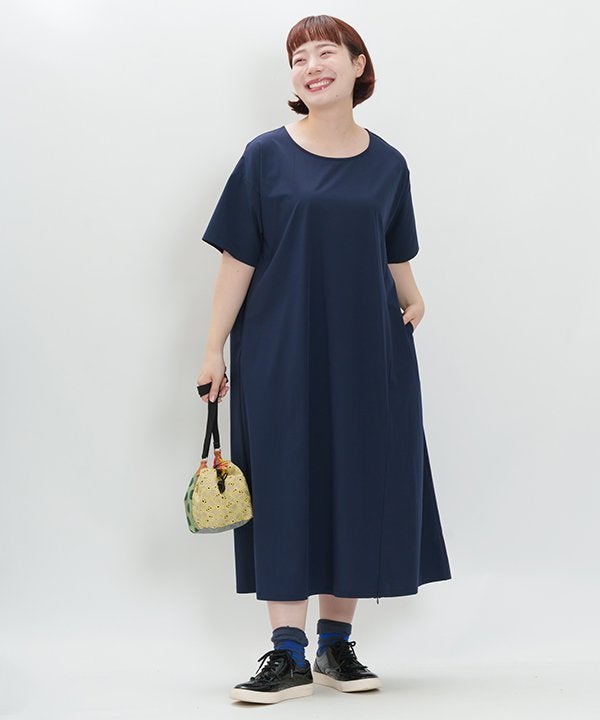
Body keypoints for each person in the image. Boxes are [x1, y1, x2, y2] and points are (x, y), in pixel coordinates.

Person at [196, 14, 452, 704]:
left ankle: (337, 644)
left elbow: (392, 247)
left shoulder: (389, 163)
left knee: (358, 479)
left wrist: (412, 294)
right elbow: (238, 257)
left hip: (371, 349)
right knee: (284, 482)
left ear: (358, 65)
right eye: (299, 57)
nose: (312, 65)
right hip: (280, 348)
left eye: (326, 52)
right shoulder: (265, 157)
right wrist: (213, 347)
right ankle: (287, 653)